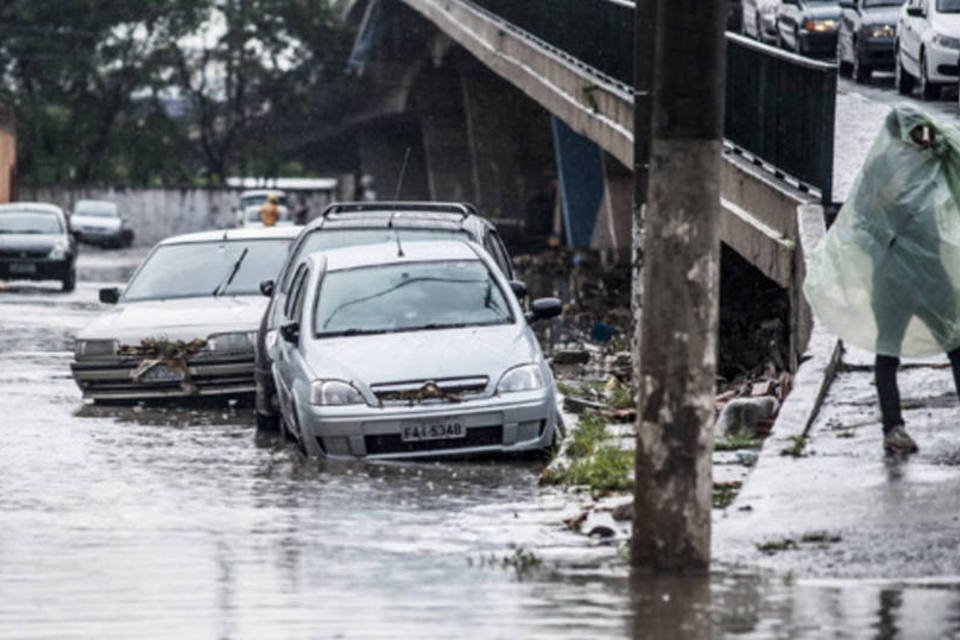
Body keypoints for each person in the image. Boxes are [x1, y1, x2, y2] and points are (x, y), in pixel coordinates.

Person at [804, 106, 960, 455]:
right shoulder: (931, 161)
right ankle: (893, 429)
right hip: (923, 275)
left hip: (895, 276)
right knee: (951, 345)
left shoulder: (891, 167)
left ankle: (893, 429)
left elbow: (859, 222)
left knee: (890, 352)